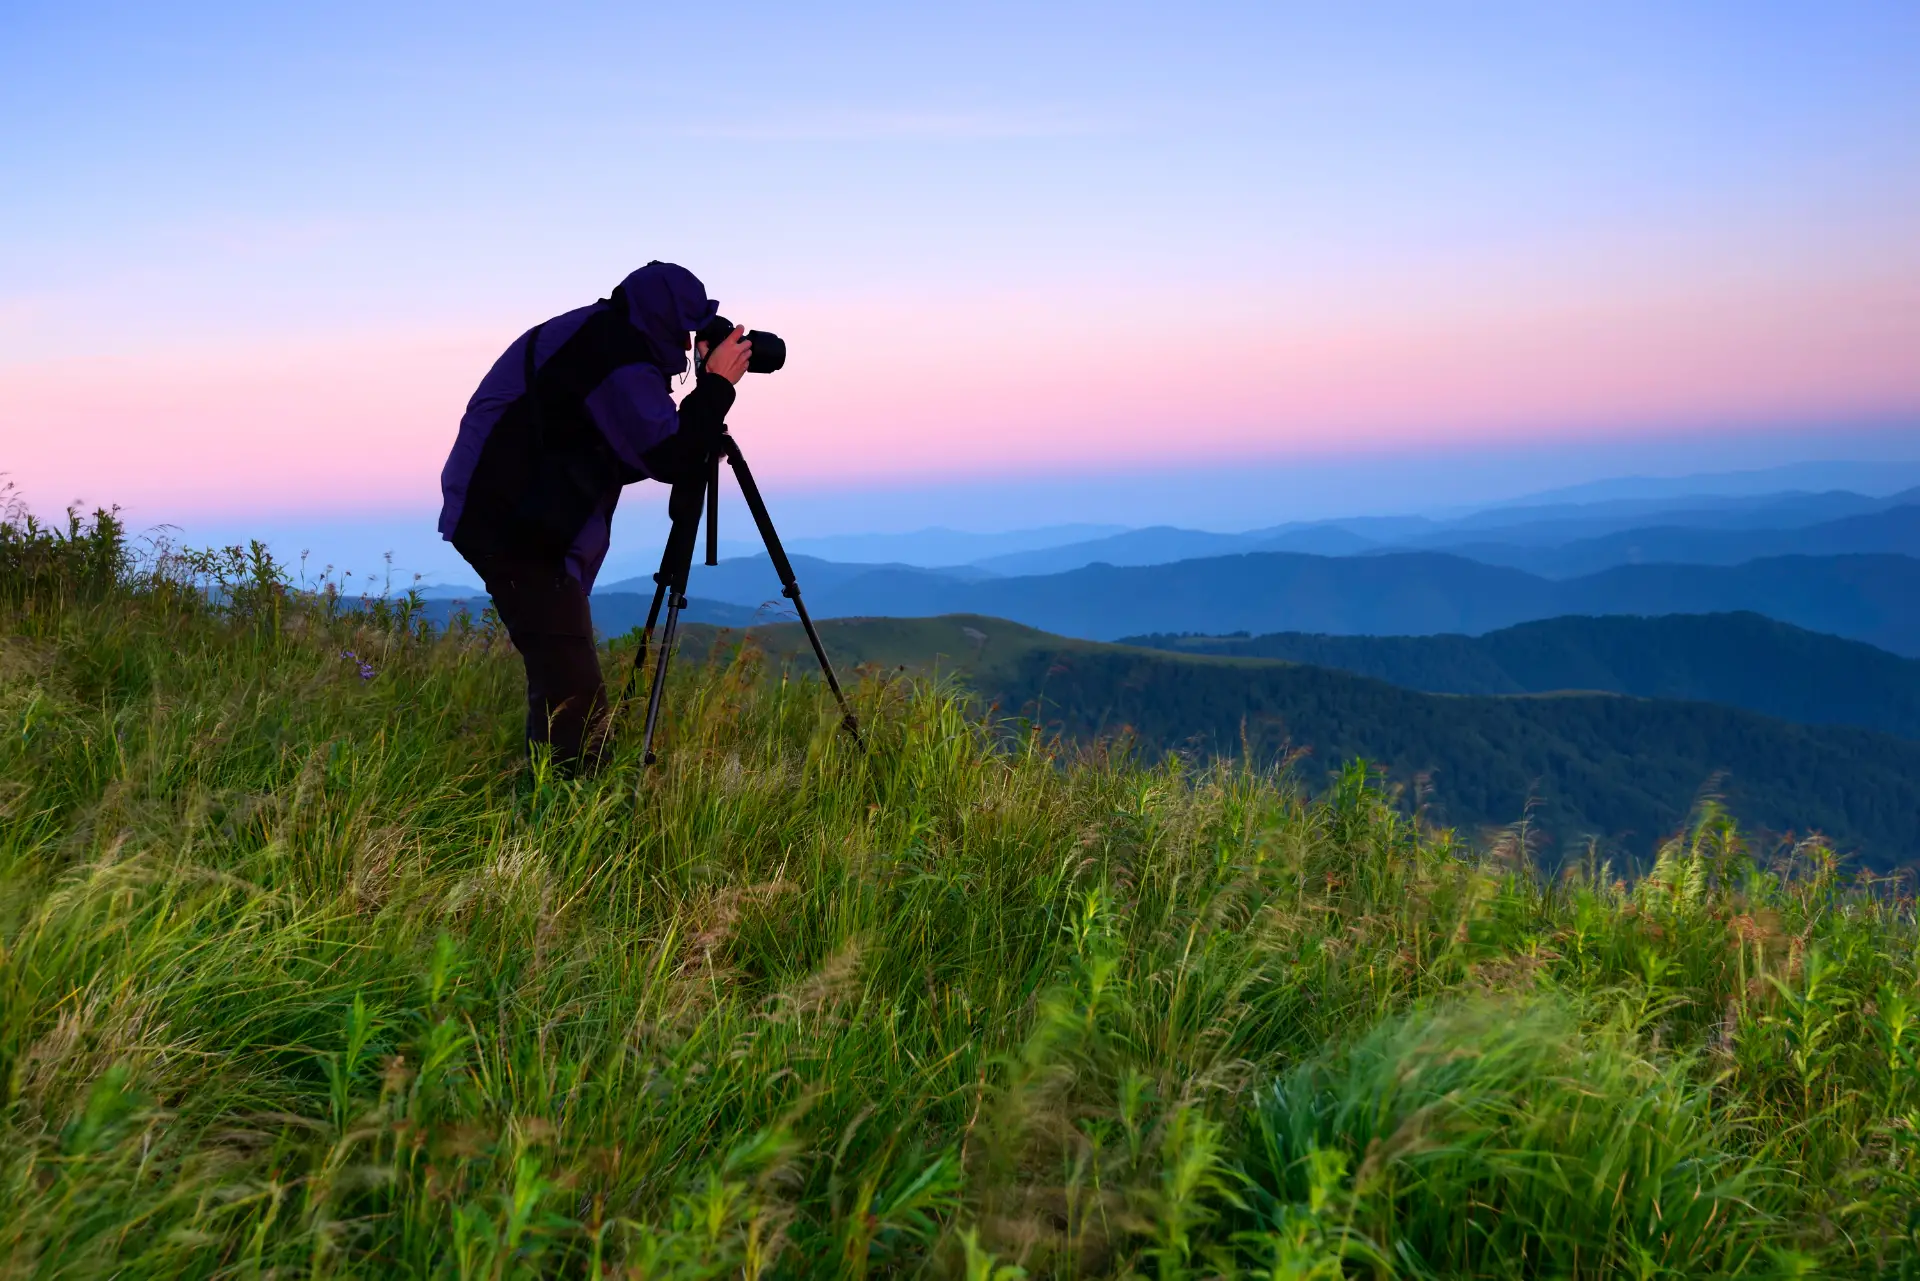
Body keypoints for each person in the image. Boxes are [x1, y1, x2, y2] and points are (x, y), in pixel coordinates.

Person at [438, 261, 751, 773]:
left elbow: (624, 447)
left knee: (560, 670)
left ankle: (548, 796)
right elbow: (669, 454)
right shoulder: (613, 353)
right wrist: (715, 387)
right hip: (515, 525)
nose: (690, 342)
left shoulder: (603, 338)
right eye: (688, 326)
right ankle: (564, 816)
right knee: (573, 689)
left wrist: (703, 406)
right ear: (664, 319)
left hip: (513, 516)